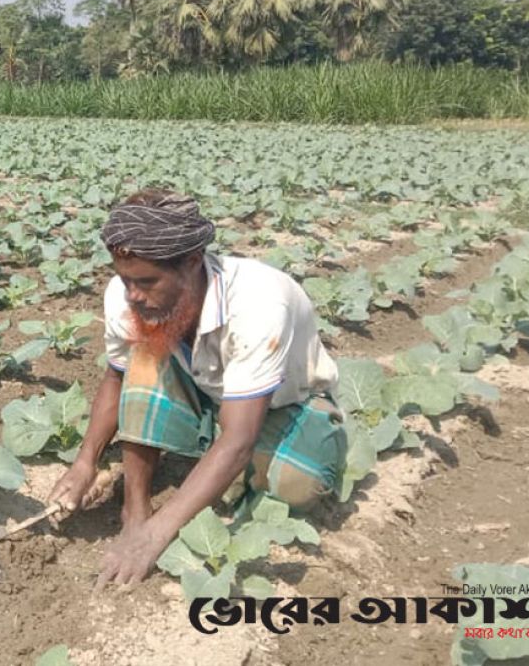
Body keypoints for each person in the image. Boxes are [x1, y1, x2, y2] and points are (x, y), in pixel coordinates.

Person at [48, 188, 347, 588]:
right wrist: (86, 462)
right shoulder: (128, 296)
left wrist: (157, 536)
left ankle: (210, 468)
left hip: (280, 406)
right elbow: (116, 377)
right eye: (125, 280)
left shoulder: (259, 303)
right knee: (144, 351)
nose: (134, 295)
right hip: (206, 390)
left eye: (148, 281)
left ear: (191, 262)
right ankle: (134, 509)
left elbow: (240, 437)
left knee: (300, 483)